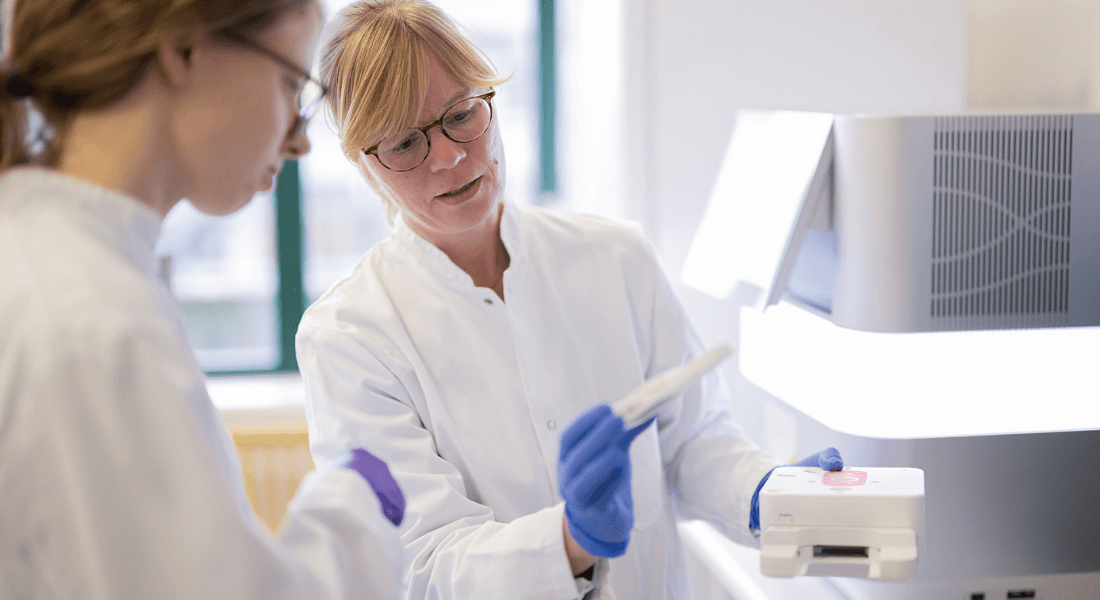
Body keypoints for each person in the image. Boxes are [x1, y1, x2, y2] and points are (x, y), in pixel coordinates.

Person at [295, 1, 843, 598]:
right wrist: (571, 538)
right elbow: (419, 564)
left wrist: (765, 493)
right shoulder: (349, 336)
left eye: (461, 113)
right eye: (405, 144)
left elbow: (692, 441)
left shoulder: (617, 256)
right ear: (363, 166)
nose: (450, 155)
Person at [0, 1, 408, 598]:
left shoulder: (59, 260)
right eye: (290, 83)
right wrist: (355, 519)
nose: (299, 141)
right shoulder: (90, 318)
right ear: (183, 50)